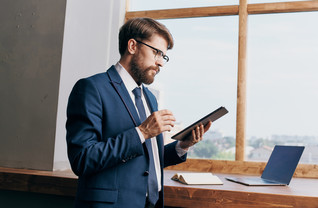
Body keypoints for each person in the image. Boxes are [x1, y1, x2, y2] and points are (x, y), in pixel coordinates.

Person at [66, 17, 211, 208]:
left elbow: (145, 159)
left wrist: (182, 146)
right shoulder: (91, 88)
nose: (161, 63)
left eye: (164, 56)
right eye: (156, 53)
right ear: (133, 46)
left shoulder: (149, 97)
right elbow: (82, 159)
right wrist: (142, 132)